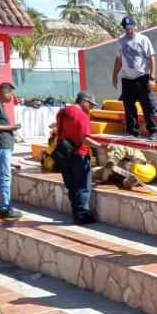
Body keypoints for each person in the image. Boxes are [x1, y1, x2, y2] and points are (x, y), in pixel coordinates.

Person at [53, 91, 105, 225]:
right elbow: (85, 138)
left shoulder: (62, 112)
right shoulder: (82, 115)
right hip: (79, 155)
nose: (91, 108)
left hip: (64, 154)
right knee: (82, 186)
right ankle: (81, 215)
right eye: (91, 105)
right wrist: (101, 147)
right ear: (84, 102)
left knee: (71, 186)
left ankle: (75, 212)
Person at [112, 16, 157, 140]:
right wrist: (114, 75)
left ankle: (153, 131)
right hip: (127, 79)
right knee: (129, 107)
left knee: (147, 106)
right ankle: (133, 132)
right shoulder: (120, 41)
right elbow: (118, 59)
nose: (129, 31)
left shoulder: (143, 39)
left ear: (135, 27)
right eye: (126, 29)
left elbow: (151, 58)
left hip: (142, 77)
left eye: (131, 28)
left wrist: (152, 78)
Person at [0, 82, 23, 221]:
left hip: (4, 145)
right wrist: (10, 127)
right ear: (3, 91)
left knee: (5, 176)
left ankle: (6, 207)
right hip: (1, 145)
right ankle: (5, 209)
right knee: (5, 177)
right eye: (11, 94)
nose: (12, 97)